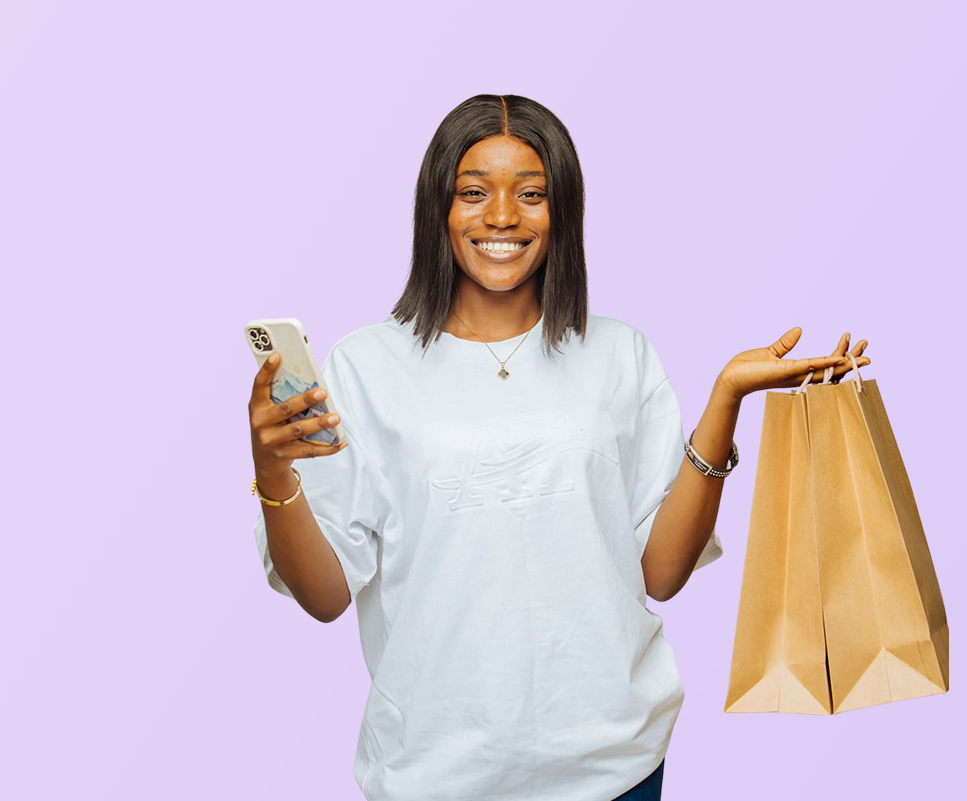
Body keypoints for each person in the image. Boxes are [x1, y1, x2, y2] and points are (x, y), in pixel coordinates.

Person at [248, 94, 869, 801]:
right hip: (435, 775)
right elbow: (325, 594)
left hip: (615, 766)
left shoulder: (619, 354)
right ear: (437, 211)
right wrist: (274, 472)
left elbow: (662, 572)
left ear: (563, 211)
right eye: (474, 192)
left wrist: (724, 397)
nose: (504, 216)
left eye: (533, 193)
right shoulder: (365, 365)